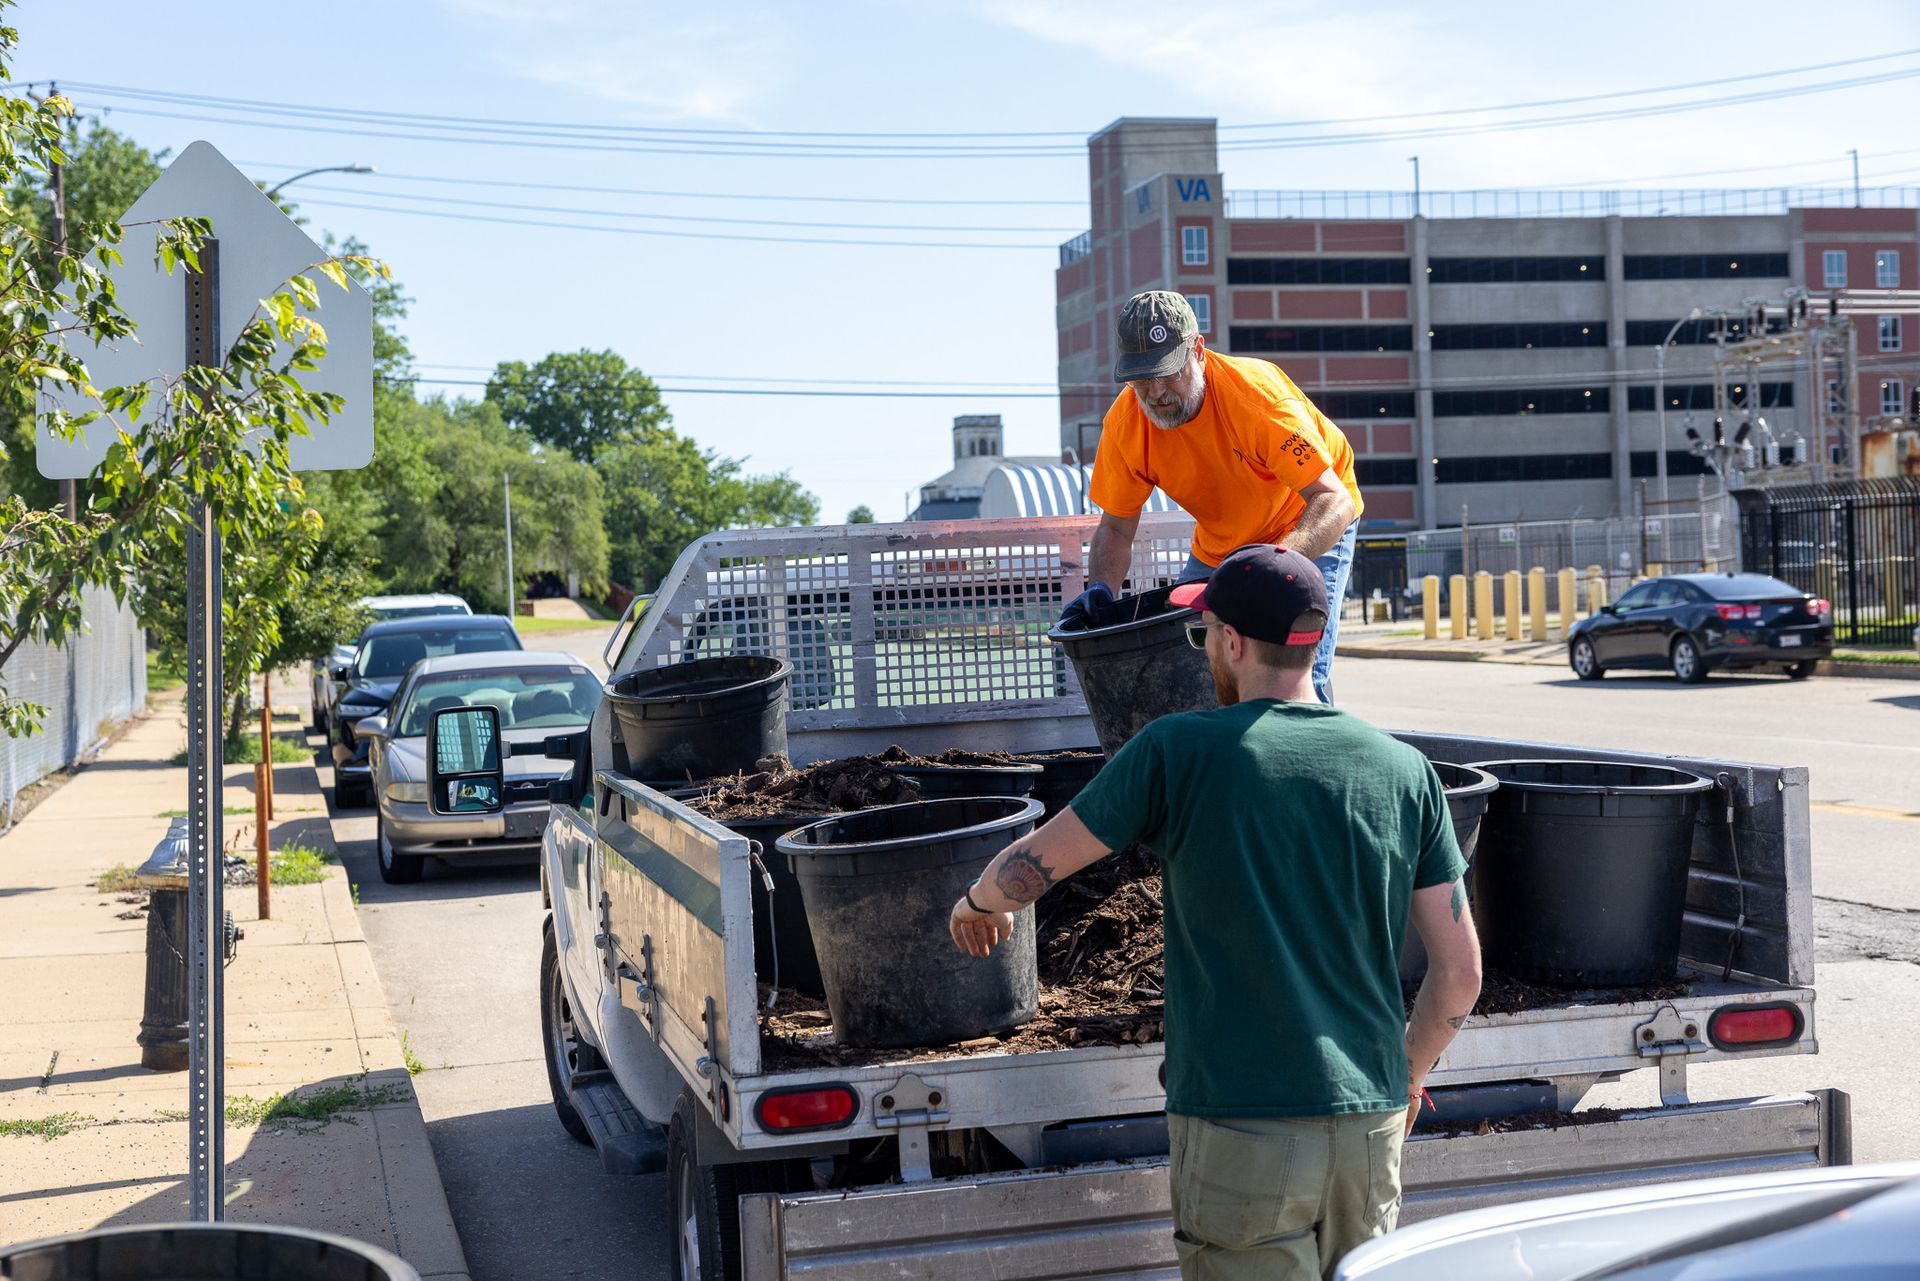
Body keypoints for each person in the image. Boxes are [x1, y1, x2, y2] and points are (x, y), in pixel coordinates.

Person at [951, 545, 1481, 1281]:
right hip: (1371, 1127)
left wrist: (979, 902)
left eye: (1203, 635)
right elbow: (1459, 972)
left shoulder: (1180, 750)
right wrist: (1405, 1076)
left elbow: (1035, 864)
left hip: (1242, 1129)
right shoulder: (1403, 769)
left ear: (1230, 641)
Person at [1062, 291, 1363, 704]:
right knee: (1193, 663)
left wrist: (1268, 570)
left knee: (1290, 674)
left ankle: (1307, 756)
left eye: (1168, 372)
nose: (1156, 392)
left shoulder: (1258, 401)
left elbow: (1334, 500)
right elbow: (1115, 527)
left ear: (1198, 350)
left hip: (1306, 521)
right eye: (1142, 378)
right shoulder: (1126, 425)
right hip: (1222, 542)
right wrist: (1100, 590)